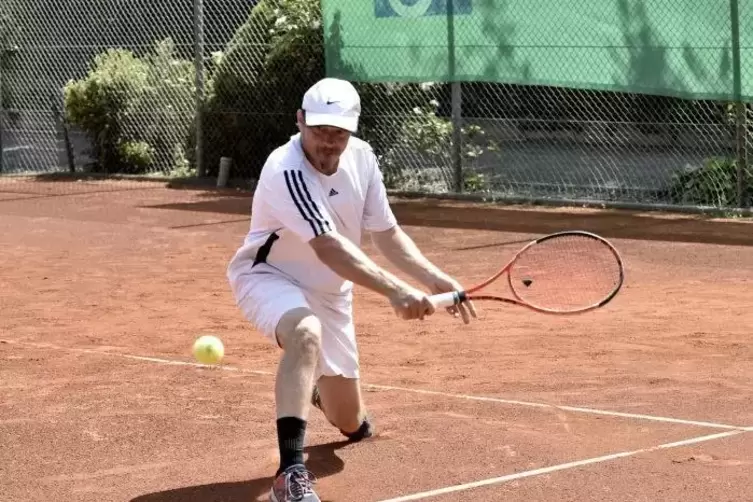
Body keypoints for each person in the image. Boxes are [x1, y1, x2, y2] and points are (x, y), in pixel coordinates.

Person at [226, 77, 477, 502]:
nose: (328, 142)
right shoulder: (285, 169)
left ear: (353, 130)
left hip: (332, 293)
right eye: (319, 130)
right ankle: (290, 473)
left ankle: (323, 394)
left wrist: (433, 278)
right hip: (270, 277)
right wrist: (396, 291)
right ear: (300, 121)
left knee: (351, 423)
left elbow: (386, 233)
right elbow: (329, 246)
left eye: (338, 132)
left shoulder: (362, 158)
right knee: (305, 333)